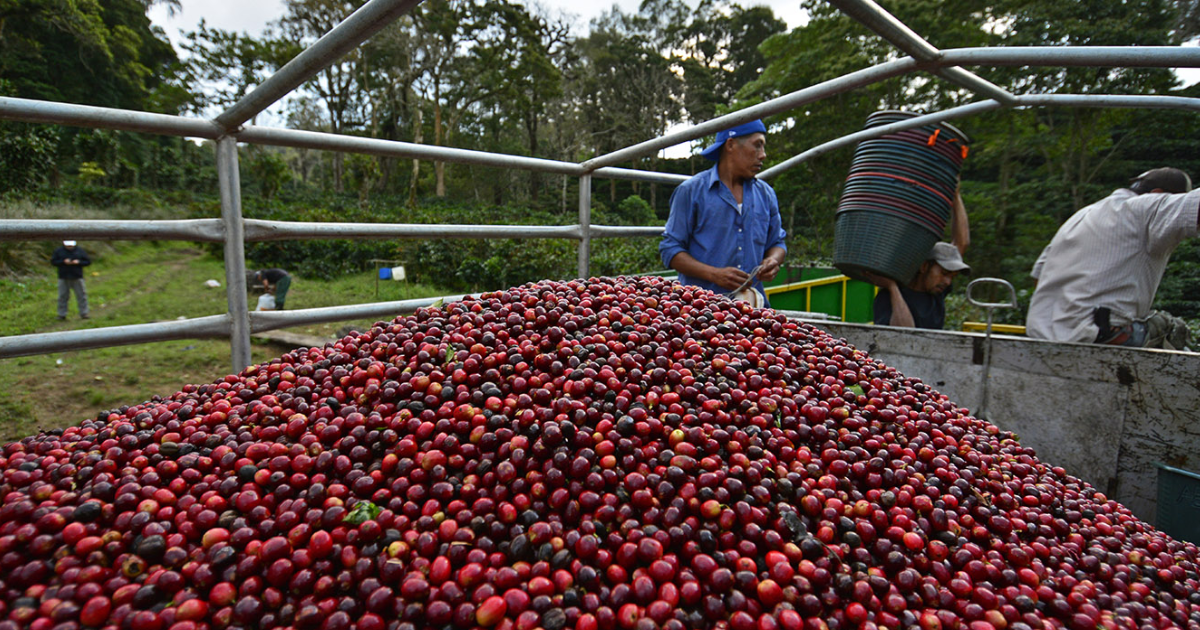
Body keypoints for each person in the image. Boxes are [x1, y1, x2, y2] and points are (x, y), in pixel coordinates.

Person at [1026, 167, 1198, 348]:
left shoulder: (1082, 215)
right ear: (1157, 194)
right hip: (1102, 335)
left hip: (1041, 335)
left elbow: (1039, 277)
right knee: (1171, 329)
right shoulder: (1147, 207)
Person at [659, 119, 787, 305]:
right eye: (757, 146)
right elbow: (670, 250)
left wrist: (772, 261)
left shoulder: (766, 194)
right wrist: (714, 274)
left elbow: (777, 243)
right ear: (731, 144)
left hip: (752, 311)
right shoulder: (691, 192)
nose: (763, 155)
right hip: (701, 311)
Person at [865, 188, 970, 329]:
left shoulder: (936, 291)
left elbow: (961, 243)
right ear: (924, 266)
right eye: (944, 273)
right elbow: (904, 335)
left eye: (952, 276)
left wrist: (956, 195)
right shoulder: (890, 296)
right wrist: (892, 288)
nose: (947, 281)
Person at [51, 240, 91, 320]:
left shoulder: (80, 251)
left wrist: (78, 262)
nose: (69, 247)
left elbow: (87, 261)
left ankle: (84, 313)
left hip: (77, 276)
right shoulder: (59, 251)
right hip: (63, 277)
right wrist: (63, 262)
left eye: (71, 245)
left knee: (81, 295)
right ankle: (62, 314)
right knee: (62, 296)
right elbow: (53, 261)